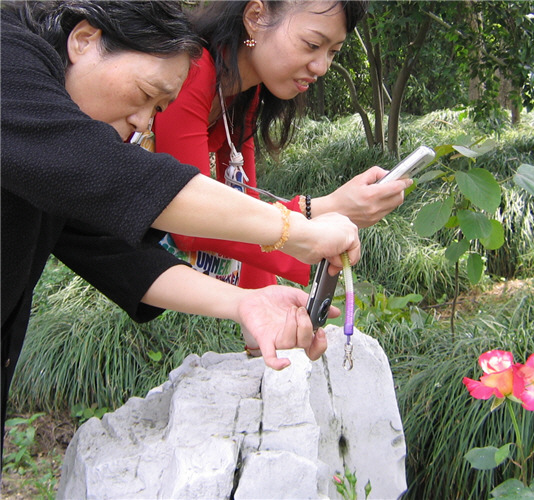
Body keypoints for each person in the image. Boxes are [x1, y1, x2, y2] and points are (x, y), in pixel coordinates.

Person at [1, 0, 361, 450]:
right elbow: (119, 174)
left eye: (158, 108)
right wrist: (299, 227)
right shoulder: (8, 55)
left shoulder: (56, 163)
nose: (141, 124)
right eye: (145, 93)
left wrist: (245, 304)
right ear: (85, 40)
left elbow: (123, 257)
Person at [153, 0, 412, 289]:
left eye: (333, 52)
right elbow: (191, 224)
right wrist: (327, 207)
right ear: (256, 17)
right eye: (312, 44)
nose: (322, 66)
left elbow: (244, 209)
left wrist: (269, 308)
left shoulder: (244, 94)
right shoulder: (193, 71)